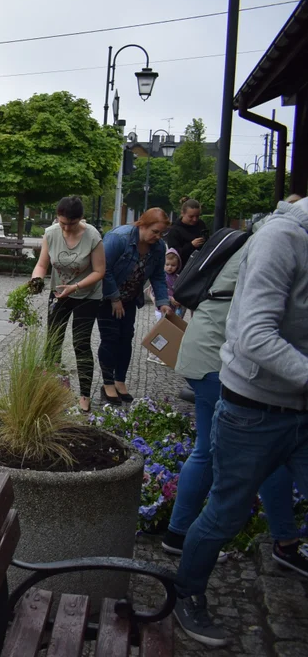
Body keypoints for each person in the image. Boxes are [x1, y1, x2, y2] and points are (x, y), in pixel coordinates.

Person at [172, 196, 308, 647]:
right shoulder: (279, 239)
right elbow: (253, 332)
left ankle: (286, 544)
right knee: (221, 491)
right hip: (243, 392)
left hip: (290, 403)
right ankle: (185, 586)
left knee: (247, 471)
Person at [164, 240, 302, 571]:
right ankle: (283, 543)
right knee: (253, 454)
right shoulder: (275, 246)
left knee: (216, 452)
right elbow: (258, 333)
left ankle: (179, 534)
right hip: (218, 360)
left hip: (205, 351)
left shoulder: (255, 241)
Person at [30, 196, 105, 412]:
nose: (65, 228)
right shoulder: (51, 233)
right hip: (59, 293)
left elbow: (100, 271)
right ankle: (49, 390)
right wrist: (36, 279)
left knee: (81, 343)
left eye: (70, 224)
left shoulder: (92, 236)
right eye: (62, 222)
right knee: (53, 342)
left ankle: (84, 396)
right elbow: (42, 264)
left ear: (80, 219)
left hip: (87, 295)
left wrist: (76, 286)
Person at [97, 208, 174, 405]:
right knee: (110, 337)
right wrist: (115, 298)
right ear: (142, 224)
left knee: (126, 338)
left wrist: (163, 302)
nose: (158, 237)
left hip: (130, 299)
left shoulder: (158, 248)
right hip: (107, 297)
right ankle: (107, 383)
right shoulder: (118, 238)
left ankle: (119, 380)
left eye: (161, 233)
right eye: (155, 232)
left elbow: (158, 277)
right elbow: (103, 269)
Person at [165, 198, 209, 270]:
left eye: (197, 216)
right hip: (183, 269)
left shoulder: (200, 224)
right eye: (191, 216)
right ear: (182, 213)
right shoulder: (174, 230)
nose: (194, 219)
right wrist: (191, 245)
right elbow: (174, 254)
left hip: (200, 265)